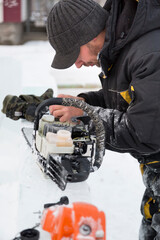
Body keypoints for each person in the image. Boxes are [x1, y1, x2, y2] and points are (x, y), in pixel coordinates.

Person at [46, 0, 160, 239]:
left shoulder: (150, 52)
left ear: (88, 36)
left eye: (75, 53)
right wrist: (85, 102)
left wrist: (87, 115)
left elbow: (145, 132)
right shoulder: (123, 47)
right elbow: (124, 101)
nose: (77, 64)